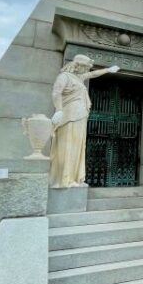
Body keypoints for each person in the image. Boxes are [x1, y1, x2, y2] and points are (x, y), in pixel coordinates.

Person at [49, 55, 119, 188]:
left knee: (76, 147)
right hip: (69, 116)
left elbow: (92, 74)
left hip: (80, 115)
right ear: (77, 65)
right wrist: (58, 110)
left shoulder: (79, 78)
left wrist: (108, 70)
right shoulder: (64, 76)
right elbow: (56, 93)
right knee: (67, 146)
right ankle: (64, 179)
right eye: (85, 67)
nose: (86, 70)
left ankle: (74, 178)